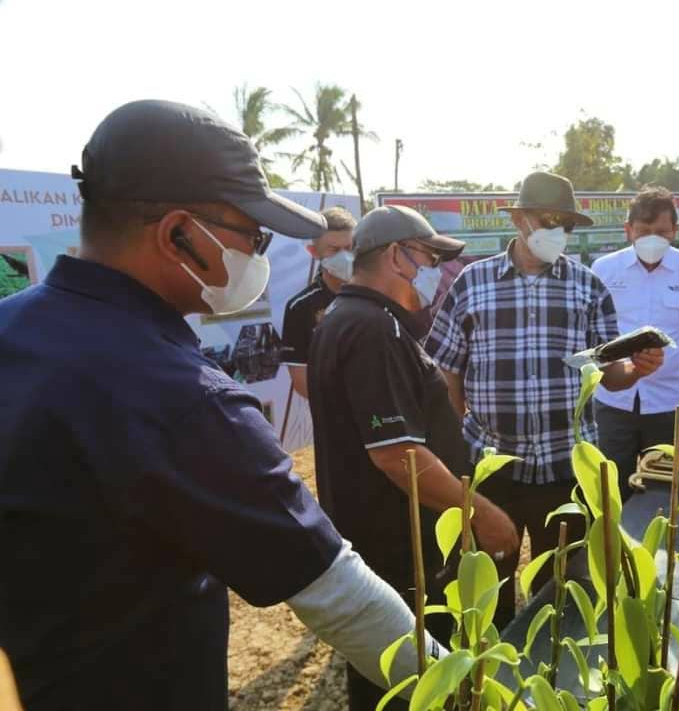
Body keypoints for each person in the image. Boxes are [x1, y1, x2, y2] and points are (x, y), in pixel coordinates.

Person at [0, 100, 439, 710]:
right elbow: (340, 597)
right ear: (179, 232)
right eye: (253, 236)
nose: (259, 256)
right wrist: (481, 690)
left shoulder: (12, 330)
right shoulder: (180, 396)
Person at [425, 170, 663, 626]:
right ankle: (485, 687)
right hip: (493, 468)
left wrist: (636, 369)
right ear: (519, 220)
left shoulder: (587, 286)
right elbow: (447, 373)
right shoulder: (472, 283)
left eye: (566, 224)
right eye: (548, 219)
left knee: (562, 595)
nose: (557, 232)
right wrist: (460, 447)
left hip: (565, 470)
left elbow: (609, 374)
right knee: (485, 594)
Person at [308, 205, 519, 710]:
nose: (438, 270)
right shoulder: (372, 329)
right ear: (396, 256)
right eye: (430, 256)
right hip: (401, 551)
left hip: (388, 542)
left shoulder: (360, 319)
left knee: (391, 677)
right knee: (412, 682)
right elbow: (398, 456)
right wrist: (481, 515)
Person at [592, 186, 679, 497]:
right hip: (613, 404)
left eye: (661, 231)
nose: (653, 239)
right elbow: (594, 331)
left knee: (665, 497)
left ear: (675, 231)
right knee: (612, 495)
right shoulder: (604, 269)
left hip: (670, 404)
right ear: (628, 231)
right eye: (644, 231)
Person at [281, 206, 356, 398]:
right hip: (337, 419)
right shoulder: (300, 307)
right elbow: (301, 381)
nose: (345, 256)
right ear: (314, 251)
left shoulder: (376, 295)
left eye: (349, 248)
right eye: (334, 249)